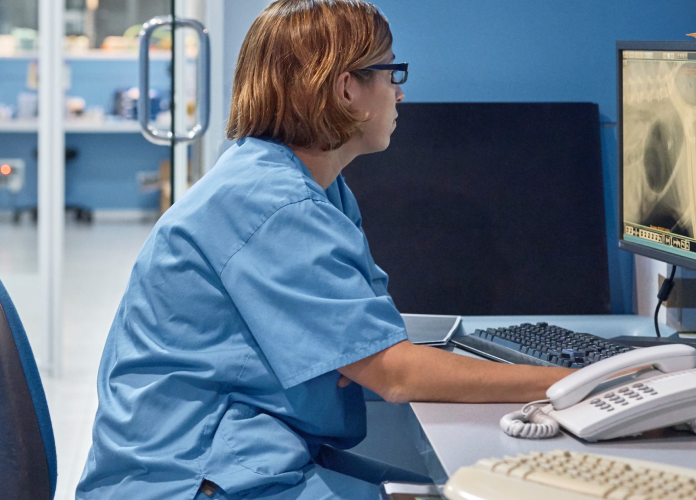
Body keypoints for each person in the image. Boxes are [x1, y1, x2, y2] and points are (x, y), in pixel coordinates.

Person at [76, 1, 573, 499]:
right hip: (191, 478)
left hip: (245, 454)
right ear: (345, 88)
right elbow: (393, 374)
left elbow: (367, 344)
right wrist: (575, 383)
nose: (399, 91)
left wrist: (365, 357)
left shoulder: (307, 188)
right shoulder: (275, 205)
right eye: (390, 71)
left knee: (463, 489)